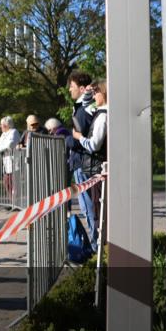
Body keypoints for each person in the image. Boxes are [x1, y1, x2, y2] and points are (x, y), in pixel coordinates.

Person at [73, 79, 107, 250]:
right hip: (95, 168)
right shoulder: (99, 111)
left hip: (97, 168)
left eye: (96, 92)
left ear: (104, 93)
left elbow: (94, 145)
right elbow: (84, 104)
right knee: (96, 212)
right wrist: (87, 92)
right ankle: (99, 248)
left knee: (97, 213)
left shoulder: (103, 116)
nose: (93, 96)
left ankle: (99, 249)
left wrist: (79, 138)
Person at [66, 71, 98, 248]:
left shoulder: (84, 110)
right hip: (81, 162)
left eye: (72, 86)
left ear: (81, 88)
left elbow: (81, 137)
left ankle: (95, 246)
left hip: (83, 164)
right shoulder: (82, 108)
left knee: (88, 207)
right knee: (88, 207)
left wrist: (69, 140)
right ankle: (96, 244)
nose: (70, 89)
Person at [0, 116, 21, 198]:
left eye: (1, 124)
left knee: (14, 184)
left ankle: (15, 202)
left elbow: (9, 145)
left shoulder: (14, 132)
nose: (0, 126)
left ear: (7, 125)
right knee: (6, 182)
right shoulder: (4, 134)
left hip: (14, 162)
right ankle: (12, 202)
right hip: (6, 163)